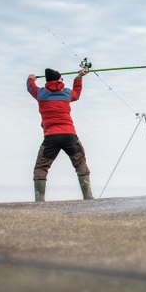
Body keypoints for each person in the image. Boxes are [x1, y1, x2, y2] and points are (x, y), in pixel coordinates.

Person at [27, 68, 93, 201]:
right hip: (69, 135)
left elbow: (30, 87)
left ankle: (39, 201)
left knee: (41, 167)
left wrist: (31, 78)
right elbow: (77, 94)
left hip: (51, 137)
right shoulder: (67, 93)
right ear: (59, 80)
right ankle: (88, 197)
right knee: (80, 164)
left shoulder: (40, 93)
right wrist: (79, 77)